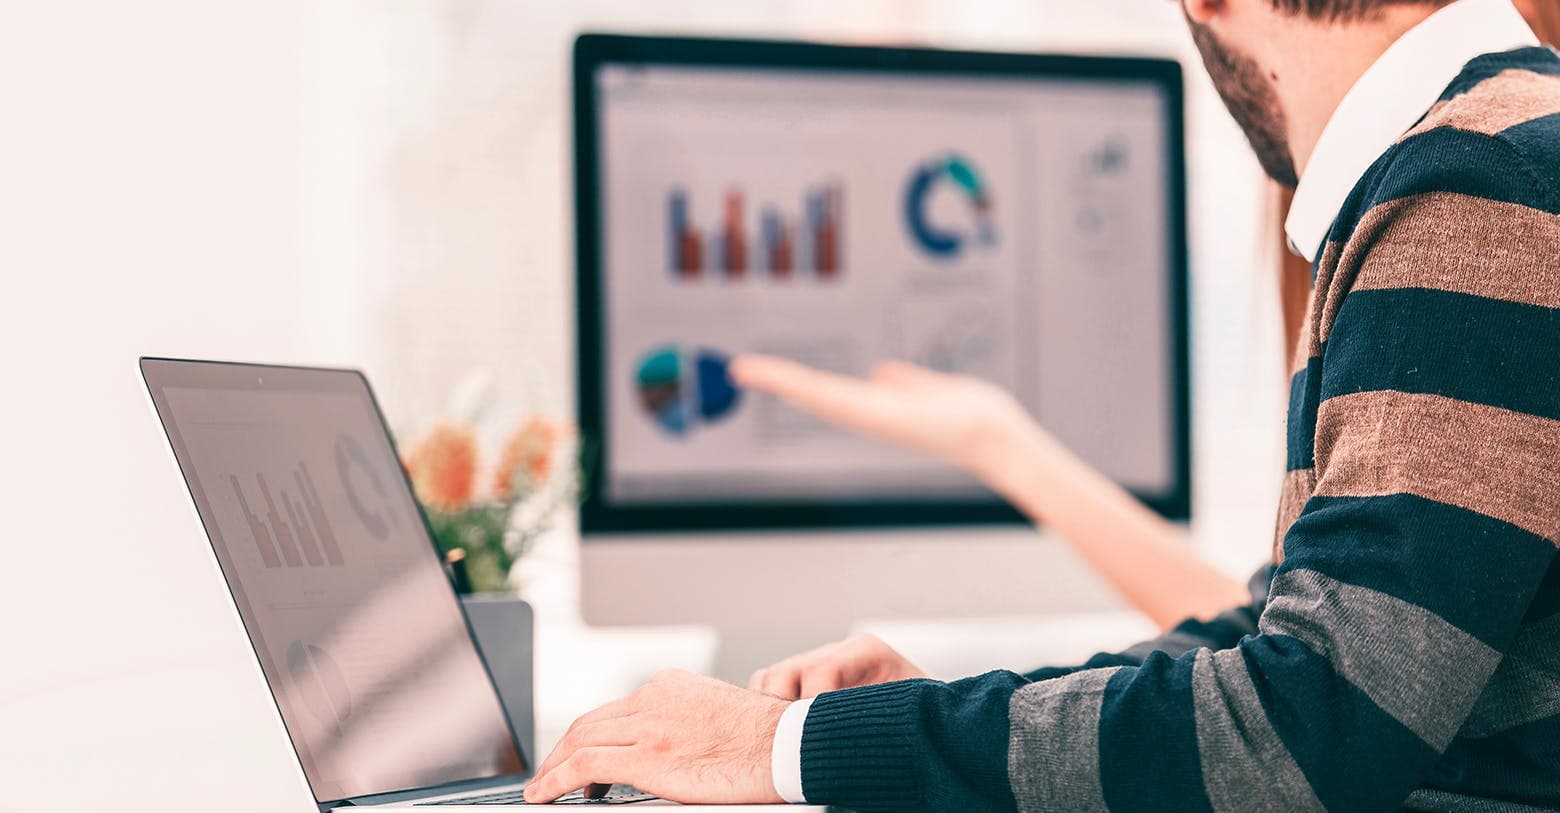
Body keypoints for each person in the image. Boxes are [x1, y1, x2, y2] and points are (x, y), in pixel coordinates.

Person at [526, 0, 1560, 808]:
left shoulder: (1470, 187)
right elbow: (1294, 638)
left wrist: (785, 746)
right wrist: (919, 720)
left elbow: (1301, 732)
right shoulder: (1499, 150)